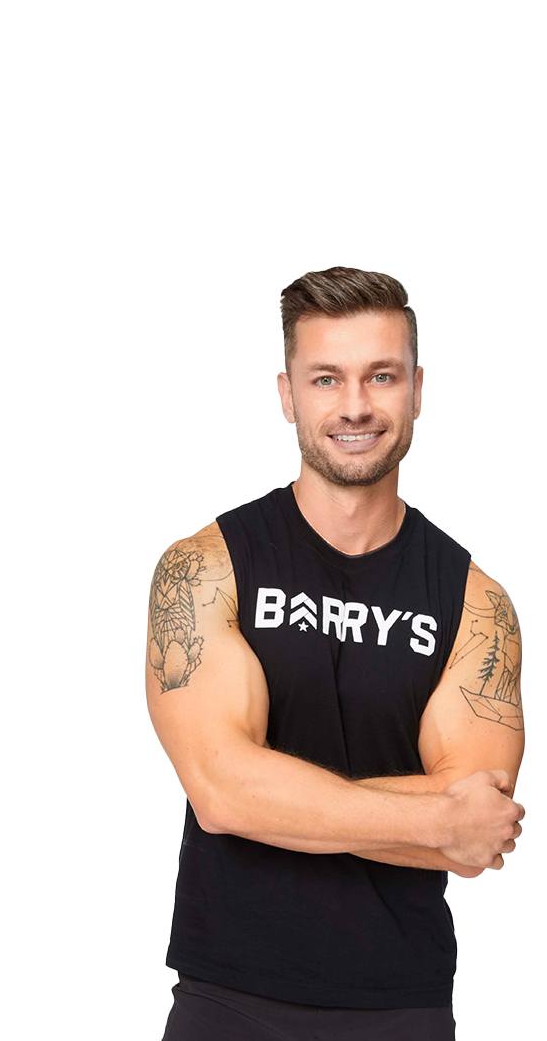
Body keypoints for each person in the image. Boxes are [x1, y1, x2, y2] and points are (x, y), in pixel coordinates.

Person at [145, 266, 525, 1041]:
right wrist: (431, 817)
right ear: (288, 393)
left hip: (403, 1003)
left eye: (380, 376)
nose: (355, 405)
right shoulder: (209, 567)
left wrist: (273, 797)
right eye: (327, 378)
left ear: (417, 389)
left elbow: (478, 823)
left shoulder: (474, 604)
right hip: (229, 996)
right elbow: (221, 790)